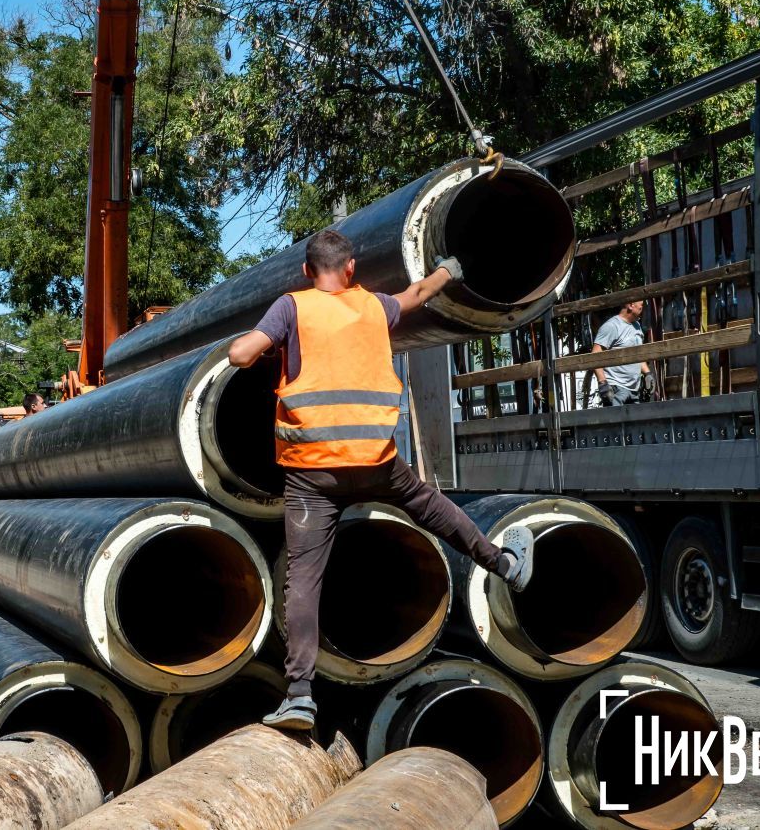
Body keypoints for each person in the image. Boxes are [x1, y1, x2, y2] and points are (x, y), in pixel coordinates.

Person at [228, 229, 535, 731]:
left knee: (304, 579)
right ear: (350, 270)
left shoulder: (292, 307)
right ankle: (504, 565)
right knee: (434, 508)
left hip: (312, 473)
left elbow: (242, 356)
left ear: (308, 272)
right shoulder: (372, 306)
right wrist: (448, 270)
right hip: (376, 461)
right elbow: (415, 296)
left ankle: (301, 694)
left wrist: (251, 346)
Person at [592, 301, 651, 406]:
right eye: (641, 305)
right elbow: (594, 355)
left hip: (634, 390)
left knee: (636, 422)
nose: (643, 308)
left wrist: (648, 374)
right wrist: (603, 383)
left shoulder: (637, 326)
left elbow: (637, 355)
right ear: (630, 305)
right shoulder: (612, 326)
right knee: (615, 421)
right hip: (616, 388)